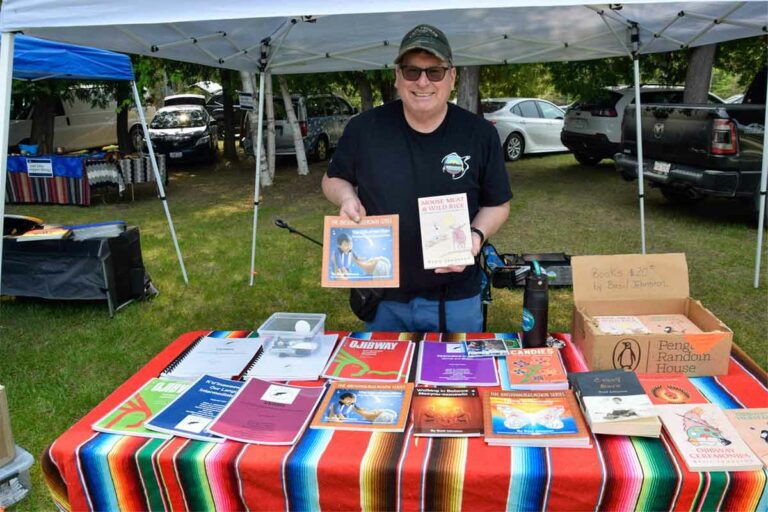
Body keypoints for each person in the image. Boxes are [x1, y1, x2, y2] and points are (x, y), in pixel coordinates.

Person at [322, 24, 512, 333]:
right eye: (412, 71)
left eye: (434, 72)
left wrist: (476, 237)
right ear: (397, 77)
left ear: (452, 77)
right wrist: (346, 197)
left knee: (455, 381)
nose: (423, 81)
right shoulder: (364, 129)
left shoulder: (480, 134)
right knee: (382, 380)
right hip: (383, 296)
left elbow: (498, 204)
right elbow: (332, 179)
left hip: (456, 298)